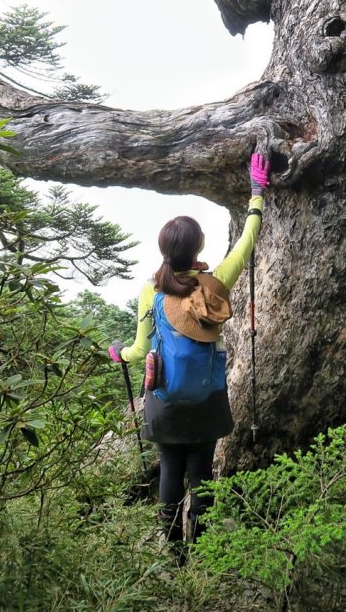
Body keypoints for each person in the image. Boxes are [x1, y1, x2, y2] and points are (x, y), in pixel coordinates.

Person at [109, 152, 270, 546]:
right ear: (199, 245)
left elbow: (139, 348)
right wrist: (256, 192)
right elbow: (248, 241)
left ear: (164, 248)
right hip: (208, 397)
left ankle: (174, 554)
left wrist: (119, 354)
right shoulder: (215, 284)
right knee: (201, 474)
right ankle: (198, 546)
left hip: (163, 398)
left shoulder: (152, 289)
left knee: (169, 469)